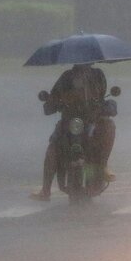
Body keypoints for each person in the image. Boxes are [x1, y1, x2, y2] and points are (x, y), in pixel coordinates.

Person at [30, 62, 116, 200]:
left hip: (91, 122)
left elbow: (102, 96)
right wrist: (54, 102)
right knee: (53, 149)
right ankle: (45, 190)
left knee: (109, 126)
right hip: (70, 123)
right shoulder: (66, 77)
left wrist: (99, 108)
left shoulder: (98, 75)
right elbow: (53, 99)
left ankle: (104, 164)